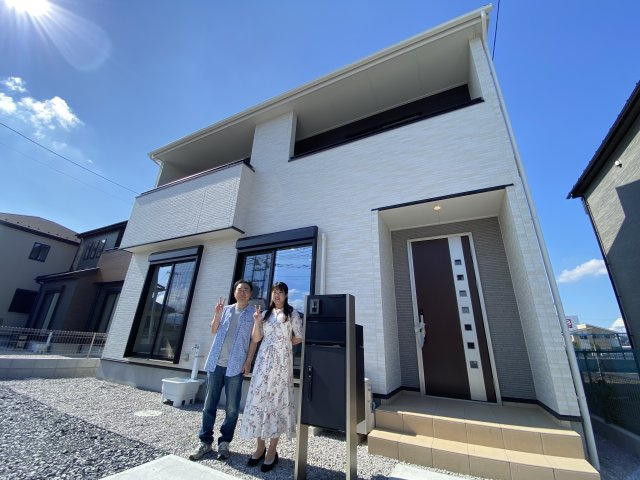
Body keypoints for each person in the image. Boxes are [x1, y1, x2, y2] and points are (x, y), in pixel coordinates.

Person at [188, 279, 258, 462]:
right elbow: (213, 330)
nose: (242, 292)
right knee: (208, 405)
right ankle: (205, 442)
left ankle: (224, 443)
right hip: (215, 364)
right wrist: (217, 314)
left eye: (246, 289)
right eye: (239, 289)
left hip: (235, 366)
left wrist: (249, 361)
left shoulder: (253, 314)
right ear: (234, 292)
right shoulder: (225, 310)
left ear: (250, 294)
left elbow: (254, 340)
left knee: (232, 408)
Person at [239, 281, 303, 472]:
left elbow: (298, 337)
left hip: (282, 364)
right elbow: (256, 338)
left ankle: (272, 450)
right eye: (274, 292)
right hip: (263, 363)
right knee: (260, 400)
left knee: (277, 402)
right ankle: (260, 447)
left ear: (286, 295)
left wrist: (283, 344)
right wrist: (257, 321)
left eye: (280, 292)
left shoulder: (292, 314)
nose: (277, 295)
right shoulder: (264, 314)